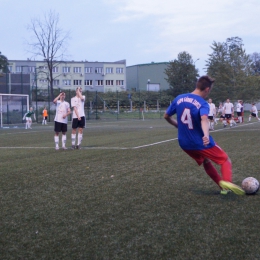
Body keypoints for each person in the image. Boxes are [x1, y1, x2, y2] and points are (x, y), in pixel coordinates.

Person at [164, 75, 245, 195]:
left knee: (206, 161)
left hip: (184, 143)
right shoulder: (202, 103)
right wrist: (206, 135)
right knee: (225, 160)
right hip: (200, 142)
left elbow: (166, 116)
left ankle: (222, 188)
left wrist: (177, 125)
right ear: (207, 89)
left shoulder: (179, 98)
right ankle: (227, 182)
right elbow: (204, 119)